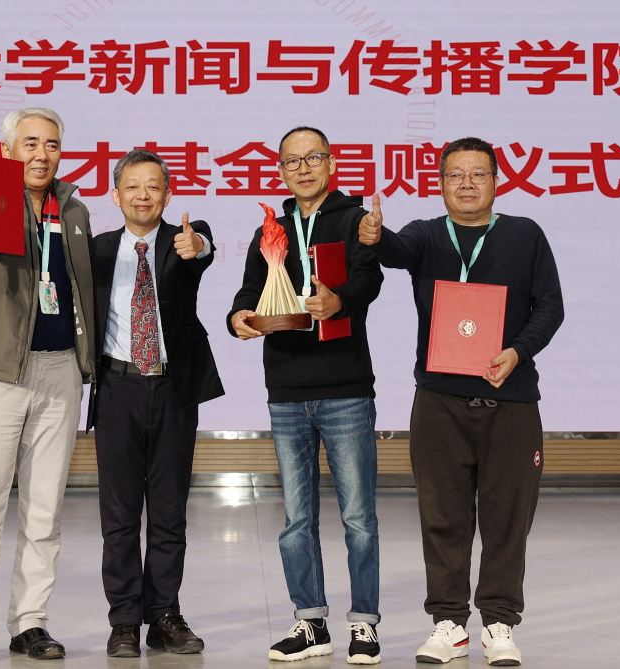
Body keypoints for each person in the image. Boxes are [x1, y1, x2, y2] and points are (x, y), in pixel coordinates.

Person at [359, 137, 564, 666]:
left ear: (497, 181)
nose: (467, 184)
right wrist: (376, 237)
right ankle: (448, 623)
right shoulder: (426, 234)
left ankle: (499, 623)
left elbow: (550, 306)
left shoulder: (524, 234)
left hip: (511, 400)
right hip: (439, 402)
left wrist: (517, 351)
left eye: (477, 174)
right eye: (455, 174)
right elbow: (396, 252)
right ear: (441, 183)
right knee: (442, 516)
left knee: (507, 519)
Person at [0, 107, 96, 664]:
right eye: (29, 143)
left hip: (59, 371)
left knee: (44, 510)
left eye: (51, 144)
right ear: (7, 150)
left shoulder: (73, 209)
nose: (41, 154)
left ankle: (31, 623)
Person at [227, 127, 384, 665]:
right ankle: (310, 621)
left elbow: (369, 280)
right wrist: (238, 315)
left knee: (358, 517)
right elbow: (249, 290)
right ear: (280, 170)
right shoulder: (270, 230)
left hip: (345, 389)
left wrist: (339, 301)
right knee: (297, 518)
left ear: (332, 163)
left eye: (313, 157)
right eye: (292, 161)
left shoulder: (353, 219)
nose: (303, 168)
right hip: (287, 390)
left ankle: (364, 624)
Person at [86, 149, 224, 658]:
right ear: (115, 195)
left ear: (167, 195)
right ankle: (124, 619)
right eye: (132, 186)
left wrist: (199, 244)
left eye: (153, 186)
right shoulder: (97, 249)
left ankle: (164, 614)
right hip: (116, 389)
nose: (142, 195)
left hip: (172, 389)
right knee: (119, 515)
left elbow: (203, 246)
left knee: (169, 512)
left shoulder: (183, 241)